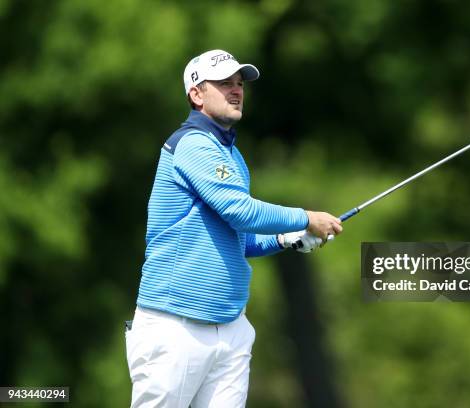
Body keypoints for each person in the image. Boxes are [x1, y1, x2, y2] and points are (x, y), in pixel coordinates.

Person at [125, 49, 343, 408]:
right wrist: (306, 218)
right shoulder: (192, 144)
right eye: (224, 83)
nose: (236, 90)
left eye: (239, 84)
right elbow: (240, 211)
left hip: (229, 326)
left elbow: (239, 235)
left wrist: (285, 239)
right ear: (196, 94)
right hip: (176, 324)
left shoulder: (231, 155)